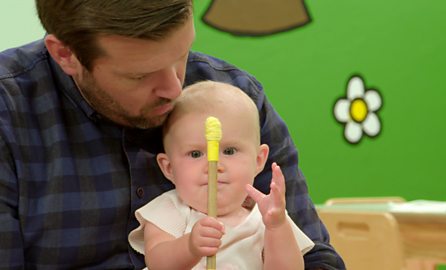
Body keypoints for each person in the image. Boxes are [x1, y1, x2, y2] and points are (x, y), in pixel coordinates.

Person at [0, 1, 345, 269]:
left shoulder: (233, 96)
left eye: (181, 55)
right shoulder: (9, 110)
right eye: (140, 76)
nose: (174, 87)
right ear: (65, 54)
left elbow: (317, 257)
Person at [129, 81, 315, 269]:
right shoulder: (170, 210)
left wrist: (277, 227)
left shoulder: (265, 217)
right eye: (195, 154)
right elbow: (157, 263)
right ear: (169, 168)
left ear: (258, 160)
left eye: (230, 151)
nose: (214, 165)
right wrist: (190, 247)